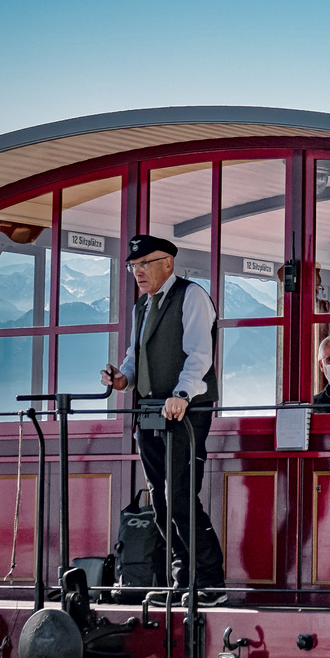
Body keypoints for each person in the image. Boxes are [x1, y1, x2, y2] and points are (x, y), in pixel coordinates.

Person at [100, 234, 226, 605]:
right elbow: (134, 355)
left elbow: (199, 355)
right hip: (150, 413)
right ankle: (180, 581)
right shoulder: (144, 306)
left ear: (167, 263)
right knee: (160, 501)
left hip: (185, 412)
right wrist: (123, 378)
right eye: (132, 267)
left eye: (144, 264)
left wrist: (183, 393)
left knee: (181, 497)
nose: (137, 272)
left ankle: (210, 583)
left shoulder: (192, 296)